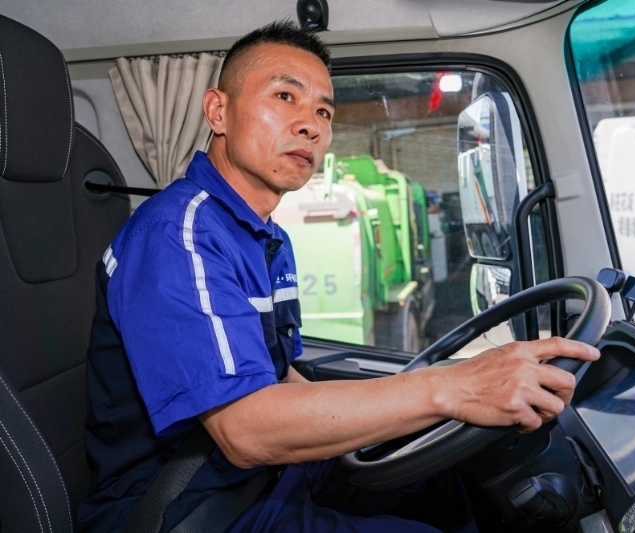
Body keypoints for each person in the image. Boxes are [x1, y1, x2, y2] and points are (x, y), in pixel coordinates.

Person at [77, 20, 600, 533]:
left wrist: (391, 420)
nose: (311, 125)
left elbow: (278, 375)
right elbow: (245, 430)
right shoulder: (177, 234)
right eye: (285, 96)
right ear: (219, 111)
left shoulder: (263, 235)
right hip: (190, 507)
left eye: (323, 111)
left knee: (449, 490)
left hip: (260, 480)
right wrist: (452, 387)